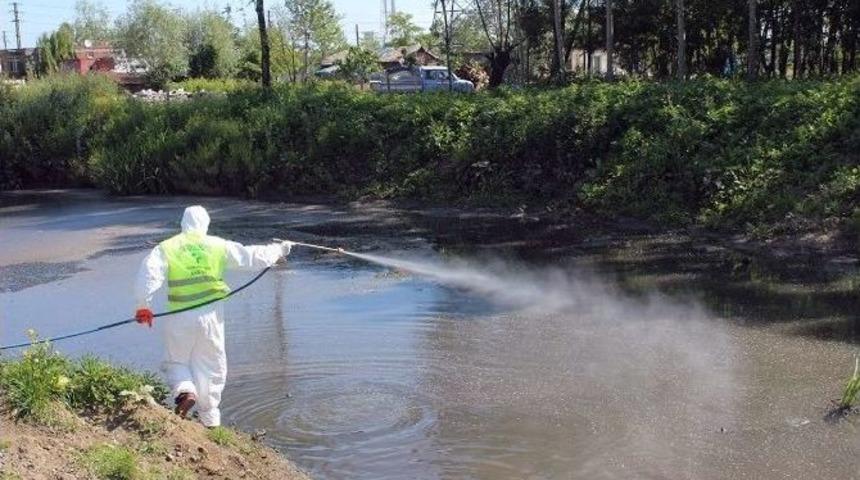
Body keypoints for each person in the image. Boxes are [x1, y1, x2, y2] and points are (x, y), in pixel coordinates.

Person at [134, 205, 292, 427]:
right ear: (206, 224)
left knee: (176, 360)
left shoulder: (167, 247)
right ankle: (210, 420)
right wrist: (279, 249)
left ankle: (185, 391)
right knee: (210, 365)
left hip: (180, 315)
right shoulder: (218, 245)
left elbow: (148, 275)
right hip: (212, 317)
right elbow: (251, 256)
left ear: (183, 223)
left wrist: (143, 306)